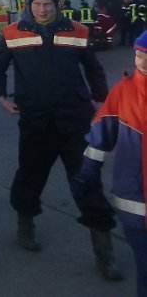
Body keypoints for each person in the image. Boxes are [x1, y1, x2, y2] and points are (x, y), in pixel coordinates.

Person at [0, 0, 121, 280]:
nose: (42, 9)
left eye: (47, 3)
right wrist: (1, 97)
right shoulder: (12, 33)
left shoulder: (78, 31)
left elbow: (93, 67)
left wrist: (100, 98)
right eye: (37, 3)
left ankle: (105, 253)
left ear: (57, 4)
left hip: (74, 120)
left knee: (87, 181)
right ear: (29, 4)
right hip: (35, 121)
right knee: (30, 176)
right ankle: (25, 226)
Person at [73, 30, 147, 294]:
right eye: (139, 55)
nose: (143, 62)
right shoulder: (122, 93)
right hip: (134, 201)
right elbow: (100, 137)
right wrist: (87, 171)